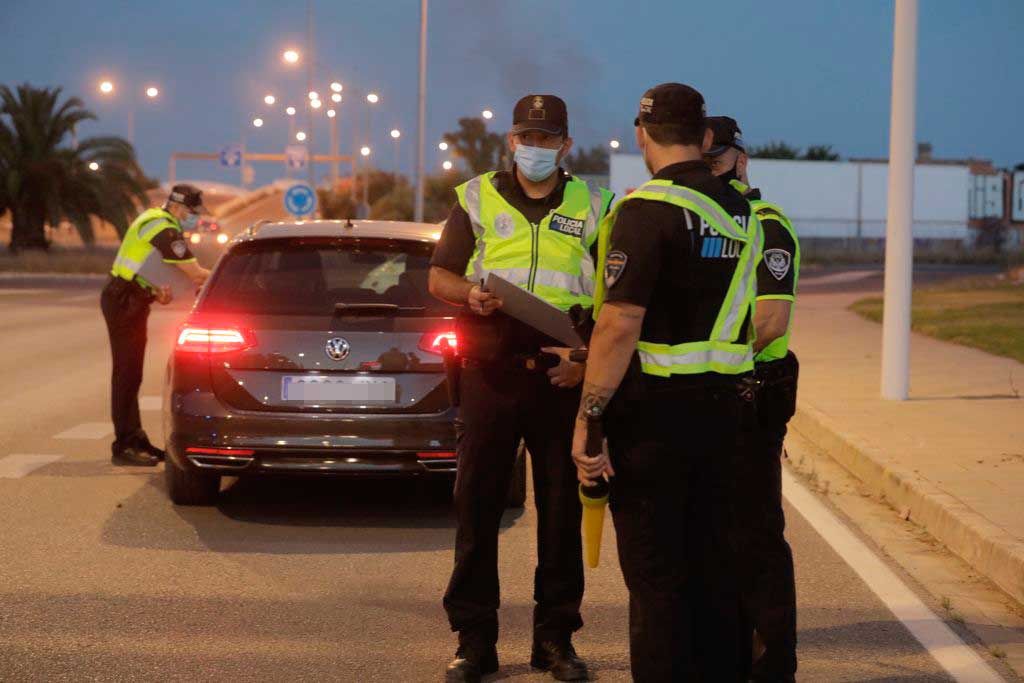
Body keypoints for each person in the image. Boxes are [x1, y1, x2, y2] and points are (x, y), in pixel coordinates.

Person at [570, 84, 763, 681]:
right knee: (719, 572)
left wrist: (589, 418)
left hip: (657, 419)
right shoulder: (742, 211)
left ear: (642, 134)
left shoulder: (643, 210)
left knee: (657, 581)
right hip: (731, 415)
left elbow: (620, 323)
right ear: (705, 137)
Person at [428, 94, 613, 683]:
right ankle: (474, 641)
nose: (536, 148)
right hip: (490, 365)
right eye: (526, 137)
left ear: (566, 144)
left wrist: (587, 360)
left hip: (562, 370)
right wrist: (469, 295)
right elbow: (439, 276)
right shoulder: (475, 196)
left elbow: (615, 301)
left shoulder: (596, 205)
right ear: (511, 141)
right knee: (477, 507)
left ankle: (555, 641)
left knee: (559, 512)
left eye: (548, 138)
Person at [706, 115, 801, 682]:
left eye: (716, 160)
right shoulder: (697, 222)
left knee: (756, 532)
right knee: (711, 532)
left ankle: (773, 665)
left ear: (740, 161)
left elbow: (769, 321)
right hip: (712, 390)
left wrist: (700, 352)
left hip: (753, 388)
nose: (709, 171)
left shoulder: (766, 225)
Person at [101, 184, 210, 467]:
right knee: (126, 373)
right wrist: (228, 279)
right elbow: (196, 274)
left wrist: (154, 290)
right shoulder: (164, 229)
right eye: (192, 212)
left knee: (132, 373)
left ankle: (135, 438)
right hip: (123, 299)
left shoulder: (155, 220)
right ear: (179, 207)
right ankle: (123, 445)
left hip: (132, 297)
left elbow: (145, 266)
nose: (193, 218)